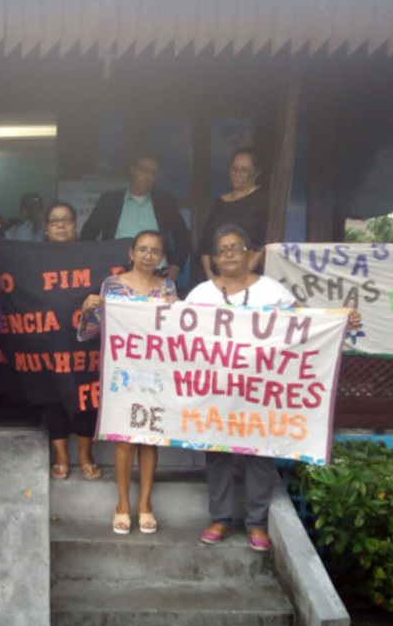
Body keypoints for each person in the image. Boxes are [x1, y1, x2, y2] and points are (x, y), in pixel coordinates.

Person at [186, 224, 360, 552]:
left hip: (262, 390)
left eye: (235, 248)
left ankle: (256, 522)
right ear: (215, 259)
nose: (228, 254)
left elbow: (302, 329)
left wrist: (341, 321)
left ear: (251, 255)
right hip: (217, 389)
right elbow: (179, 333)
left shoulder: (273, 292)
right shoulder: (200, 295)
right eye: (222, 250)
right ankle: (220, 518)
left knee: (260, 453)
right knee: (218, 454)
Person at [78, 230, 178, 534]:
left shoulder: (168, 288)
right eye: (143, 249)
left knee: (149, 437)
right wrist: (87, 311)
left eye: (155, 251)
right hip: (121, 374)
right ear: (131, 253)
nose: (148, 255)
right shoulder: (111, 286)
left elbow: (177, 336)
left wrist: (178, 310)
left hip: (156, 374)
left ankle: (145, 504)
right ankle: (122, 504)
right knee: (124, 439)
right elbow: (91, 332)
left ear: (162, 257)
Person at [41, 201, 101, 481]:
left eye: (67, 220)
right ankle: (61, 456)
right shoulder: (32, 258)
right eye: (55, 221)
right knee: (52, 394)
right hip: (47, 338)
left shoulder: (92, 256)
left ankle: (86, 455)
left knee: (87, 393)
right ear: (46, 229)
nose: (61, 225)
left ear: (76, 227)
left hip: (85, 338)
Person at [80, 150, 191, 282]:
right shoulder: (110, 201)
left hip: (157, 273)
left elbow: (183, 237)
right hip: (116, 273)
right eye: (144, 170)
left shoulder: (165, 201)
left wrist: (176, 266)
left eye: (153, 172)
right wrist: (99, 266)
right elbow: (87, 235)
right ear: (132, 169)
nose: (148, 176)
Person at [197, 147, 267, 281]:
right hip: (216, 277)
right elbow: (206, 244)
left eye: (244, 170)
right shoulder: (220, 203)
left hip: (248, 276)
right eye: (234, 169)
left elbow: (264, 244)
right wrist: (209, 274)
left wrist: (242, 273)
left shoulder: (262, 200)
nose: (238, 174)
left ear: (257, 173)